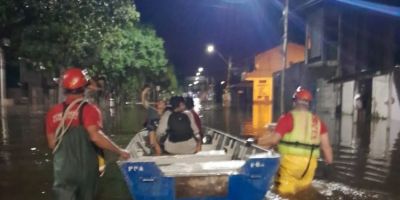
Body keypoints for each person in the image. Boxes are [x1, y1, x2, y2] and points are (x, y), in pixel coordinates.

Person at [45, 67, 130, 200]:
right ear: (84, 88)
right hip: (85, 171)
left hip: (62, 171)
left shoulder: (53, 112)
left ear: (64, 89)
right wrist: (120, 151)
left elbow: (52, 144)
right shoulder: (89, 110)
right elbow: (96, 137)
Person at [257, 87, 333, 196]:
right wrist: (329, 163)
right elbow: (326, 148)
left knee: (284, 194)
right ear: (309, 104)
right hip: (309, 165)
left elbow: (274, 139)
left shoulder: (288, 118)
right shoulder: (318, 121)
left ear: (294, 102)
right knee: (304, 192)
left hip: (290, 164)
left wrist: (257, 141)